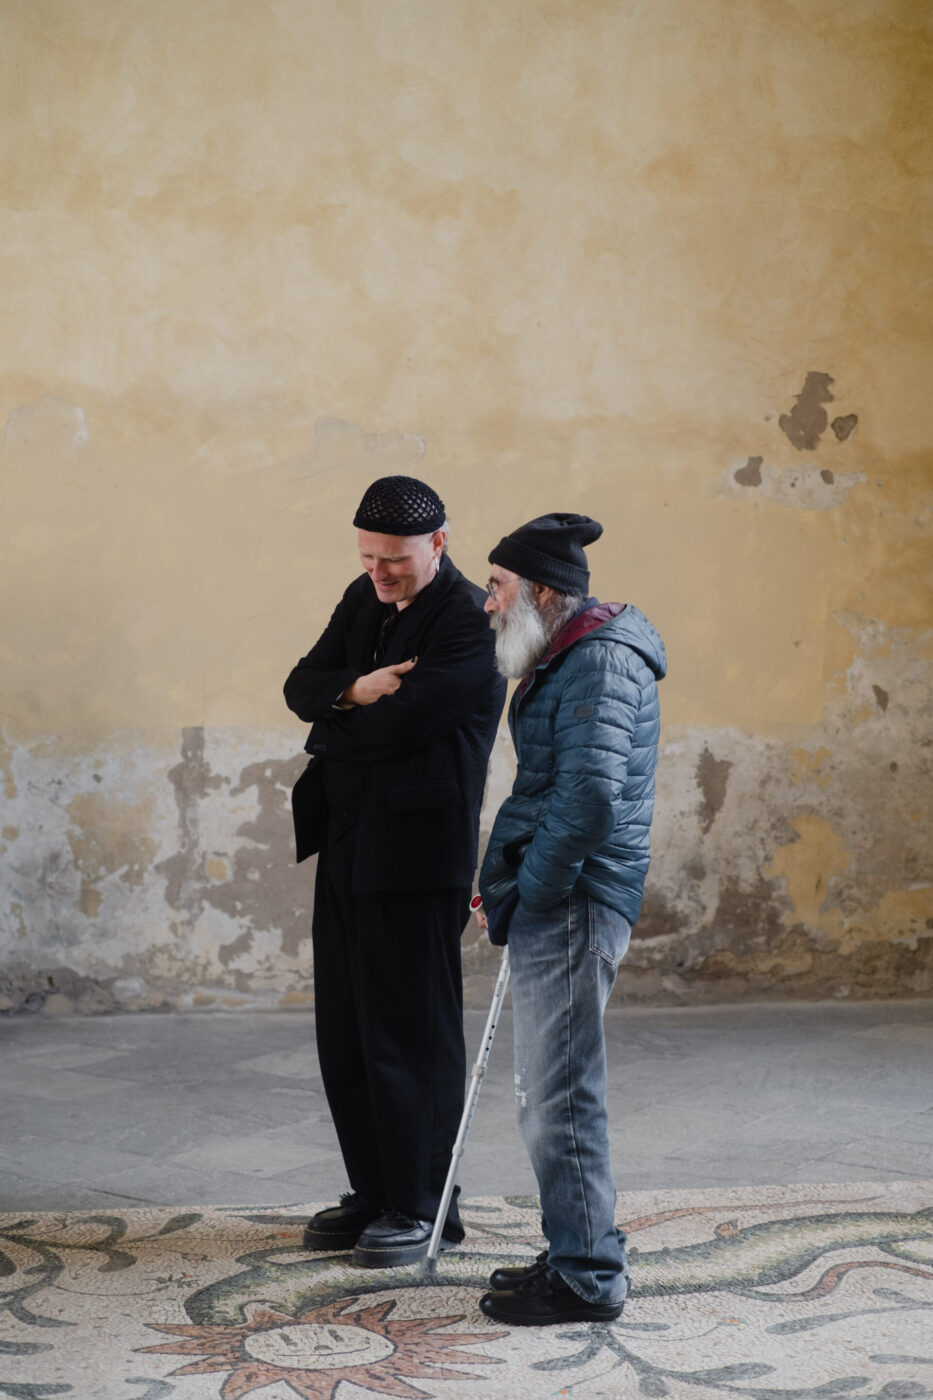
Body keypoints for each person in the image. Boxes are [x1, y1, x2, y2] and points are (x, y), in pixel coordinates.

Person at [283, 476, 505, 1268]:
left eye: (395, 559)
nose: (378, 572)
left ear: (438, 543)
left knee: (411, 1033)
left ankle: (424, 1204)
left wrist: (333, 719)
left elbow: (395, 730)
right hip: (347, 836)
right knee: (347, 1029)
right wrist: (353, 689)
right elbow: (299, 686)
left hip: (417, 851)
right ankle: (376, 1192)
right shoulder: (364, 597)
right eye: (368, 557)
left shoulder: (472, 623)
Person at [476, 512, 666, 1325]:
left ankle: (586, 1276)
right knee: (548, 1090)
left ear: (543, 593)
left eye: (497, 588)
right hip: (565, 893)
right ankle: (574, 1245)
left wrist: (535, 889)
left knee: (556, 1094)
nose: (487, 603)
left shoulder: (598, 662)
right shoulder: (569, 655)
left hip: (574, 897)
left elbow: (589, 800)